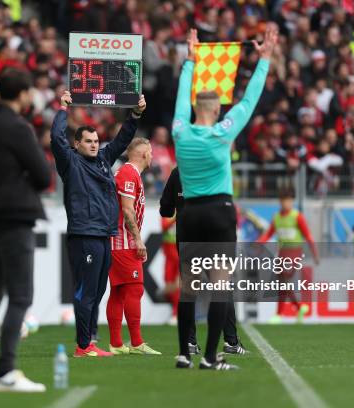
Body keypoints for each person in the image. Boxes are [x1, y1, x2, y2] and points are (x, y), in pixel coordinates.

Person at [172, 26, 277, 370]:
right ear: (216, 109)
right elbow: (249, 100)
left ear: (193, 108)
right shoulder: (223, 132)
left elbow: (179, 97)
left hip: (188, 213)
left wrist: (191, 60)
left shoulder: (179, 131)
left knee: (188, 285)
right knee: (220, 285)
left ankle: (184, 353)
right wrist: (264, 60)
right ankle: (211, 356)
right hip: (219, 211)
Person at [0, 68, 52, 392]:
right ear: (22, 94)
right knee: (20, 296)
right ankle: (6, 371)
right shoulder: (18, 127)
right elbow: (44, 176)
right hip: (14, 218)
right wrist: (23, 180)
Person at [51, 90, 146, 358]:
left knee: (97, 291)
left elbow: (122, 139)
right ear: (77, 144)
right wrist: (63, 111)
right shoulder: (70, 162)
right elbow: (56, 139)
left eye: (96, 140)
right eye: (88, 141)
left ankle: (90, 340)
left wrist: (135, 115)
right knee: (86, 292)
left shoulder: (104, 160)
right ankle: (83, 346)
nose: (94, 144)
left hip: (104, 234)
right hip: (84, 235)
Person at [160, 167, 248, 357]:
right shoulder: (215, 170)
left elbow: (165, 209)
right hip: (213, 238)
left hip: (187, 238)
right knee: (222, 288)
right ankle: (231, 341)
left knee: (189, 290)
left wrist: (180, 206)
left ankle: (190, 343)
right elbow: (226, 206)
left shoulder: (178, 173)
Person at [107, 137, 161, 356]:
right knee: (135, 288)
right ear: (143, 154)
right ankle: (136, 342)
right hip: (123, 241)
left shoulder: (128, 173)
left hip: (117, 240)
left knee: (119, 291)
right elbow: (127, 210)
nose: (152, 157)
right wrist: (138, 239)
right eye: (150, 152)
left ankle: (116, 343)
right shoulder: (129, 174)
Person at [257, 188, 319, 323]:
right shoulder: (277, 217)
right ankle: (293, 309)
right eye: (285, 201)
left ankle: (285, 312)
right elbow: (269, 233)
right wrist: (259, 242)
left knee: (283, 278)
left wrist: (315, 253)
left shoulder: (297, 217)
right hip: (283, 252)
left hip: (295, 252)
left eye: (290, 201)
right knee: (282, 284)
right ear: (281, 202)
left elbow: (308, 235)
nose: (287, 204)